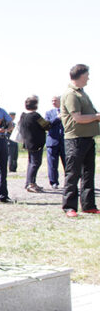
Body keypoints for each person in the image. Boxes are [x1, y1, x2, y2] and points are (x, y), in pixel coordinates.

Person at [60, 64, 100, 217]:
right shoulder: (71, 94)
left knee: (89, 174)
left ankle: (89, 205)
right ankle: (69, 207)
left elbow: (92, 113)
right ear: (81, 75)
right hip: (75, 140)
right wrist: (96, 117)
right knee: (73, 174)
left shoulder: (82, 93)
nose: (89, 78)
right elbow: (77, 118)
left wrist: (96, 116)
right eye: (87, 75)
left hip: (88, 139)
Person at [18, 96, 49, 193]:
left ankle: (29, 182)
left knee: (31, 163)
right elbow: (47, 126)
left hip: (28, 142)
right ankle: (31, 183)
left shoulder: (23, 116)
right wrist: (57, 119)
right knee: (35, 163)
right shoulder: (36, 116)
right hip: (36, 143)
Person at [45, 96, 66, 189]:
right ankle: (54, 182)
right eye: (52, 100)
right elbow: (46, 125)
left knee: (68, 163)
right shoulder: (48, 113)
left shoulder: (66, 111)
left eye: (55, 100)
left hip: (65, 141)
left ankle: (70, 182)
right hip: (52, 141)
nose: (54, 102)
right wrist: (57, 118)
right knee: (52, 164)